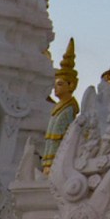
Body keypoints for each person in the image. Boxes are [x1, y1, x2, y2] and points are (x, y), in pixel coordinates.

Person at [43, 38, 80, 173]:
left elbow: (66, 137)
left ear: (71, 85)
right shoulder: (59, 108)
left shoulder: (69, 109)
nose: (55, 89)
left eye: (59, 84)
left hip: (59, 160)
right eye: (55, 85)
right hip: (49, 161)